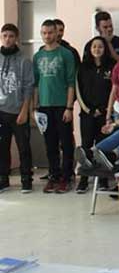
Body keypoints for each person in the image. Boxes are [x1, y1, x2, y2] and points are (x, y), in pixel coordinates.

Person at [32, 19, 76, 193]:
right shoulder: (38, 56)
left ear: (56, 33)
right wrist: (35, 107)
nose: (47, 36)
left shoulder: (66, 54)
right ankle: (54, 176)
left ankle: (66, 177)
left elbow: (71, 83)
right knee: (50, 144)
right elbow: (36, 84)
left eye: (50, 32)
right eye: (44, 33)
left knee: (66, 143)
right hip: (44, 106)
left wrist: (69, 108)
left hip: (62, 106)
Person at [74, 36, 116, 193]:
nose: (97, 49)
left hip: (105, 115)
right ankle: (84, 180)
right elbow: (78, 90)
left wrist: (105, 110)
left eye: (100, 46)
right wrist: (89, 110)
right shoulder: (82, 67)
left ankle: (103, 179)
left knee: (102, 147)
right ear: (89, 49)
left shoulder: (112, 66)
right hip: (87, 114)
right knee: (86, 146)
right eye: (94, 47)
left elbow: (115, 90)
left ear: (105, 49)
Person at [0, 23, 34, 193]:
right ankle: (3, 179)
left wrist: (24, 110)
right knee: (2, 148)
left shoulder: (24, 60)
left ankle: (26, 179)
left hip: (18, 111)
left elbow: (29, 87)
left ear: (16, 38)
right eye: (5, 36)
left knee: (24, 147)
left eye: (11, 36)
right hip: (1, 111)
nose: (8, 39)